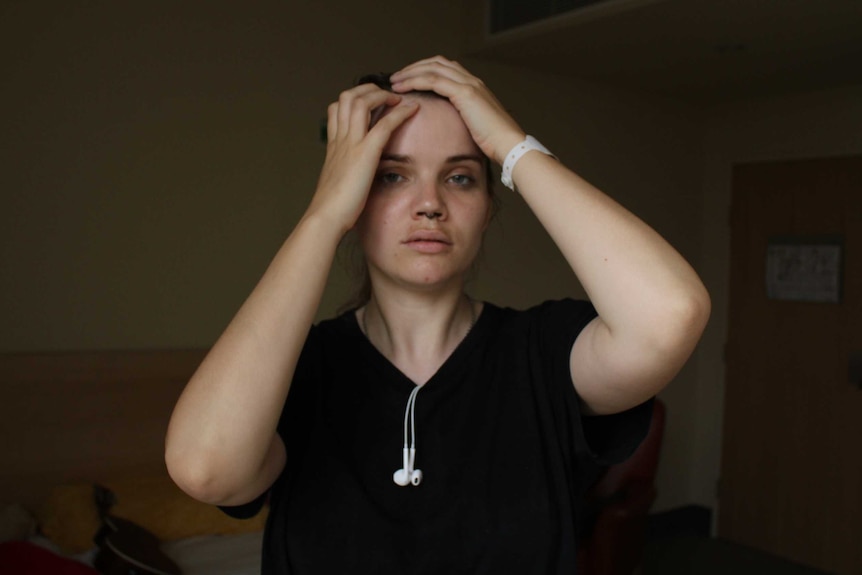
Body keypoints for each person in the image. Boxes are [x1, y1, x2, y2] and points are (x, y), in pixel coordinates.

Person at [165, 56, 710, 574]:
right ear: (352, 197)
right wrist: (324, 214)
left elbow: (671, 314)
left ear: (489, 209)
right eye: (391, 175)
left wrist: (511, 147)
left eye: (460, 177)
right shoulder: (290, 372)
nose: (430, 203)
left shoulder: (542, 353)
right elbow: (205, 468)